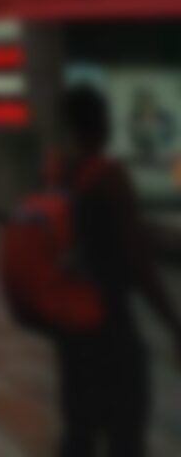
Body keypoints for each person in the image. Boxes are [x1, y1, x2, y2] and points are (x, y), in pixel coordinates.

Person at [52, 83, 181, 457]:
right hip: (110, 326)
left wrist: (150, 232)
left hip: (71, 327)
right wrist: (173, 321)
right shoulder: (109, 175)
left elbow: (95, 231)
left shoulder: (57, 170)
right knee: (126, 434)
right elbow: (137, 259)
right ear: (103, 124)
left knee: (79, 433)